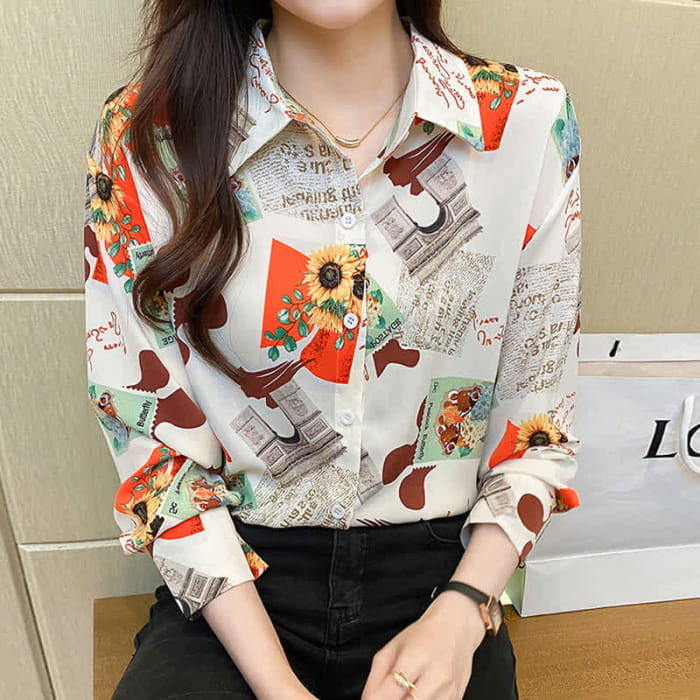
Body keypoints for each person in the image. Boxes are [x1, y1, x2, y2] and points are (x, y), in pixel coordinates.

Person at [83, 1, 583, 698]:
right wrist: (279, 687)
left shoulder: (525, 120)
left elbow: (537, 431)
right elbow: (151, 447)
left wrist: (465, 607)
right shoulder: (145, 135)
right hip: (235, 582)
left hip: (444, 579)